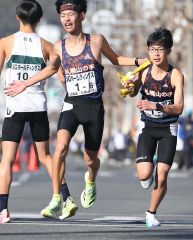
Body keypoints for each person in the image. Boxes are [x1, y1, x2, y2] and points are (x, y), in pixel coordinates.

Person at [5, 0, 145, 219]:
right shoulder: (58, 46)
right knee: (59, 149)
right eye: (63, 16)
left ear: (82, 16)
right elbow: (51, 69)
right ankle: (55, 199)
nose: (67, 19)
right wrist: (25, 83)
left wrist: (139, 61)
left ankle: (91, 179)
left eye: (71, 14)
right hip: (71, 104)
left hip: (94, 108)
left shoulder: (96, 41)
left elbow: (116, 58)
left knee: (91, 159)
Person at [0, 0, 75, 224]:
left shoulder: (5, 42)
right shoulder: (47, 45)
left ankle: (3, 210)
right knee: (45, 157)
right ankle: (66, 197)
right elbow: (59, 74)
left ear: (17, 17)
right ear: (40, 20)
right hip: (38, 107)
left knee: (7, 160)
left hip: (15, 107)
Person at [125, 27, 184, 228]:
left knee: (163, 174)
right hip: (147, 128)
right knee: (144, 174)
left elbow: (179, 108)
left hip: (168, 129)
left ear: (168, 51)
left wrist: (156, 105)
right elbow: (132, 93)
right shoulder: (144, 70)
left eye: (160, 49)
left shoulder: (175, 75)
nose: (155, 54)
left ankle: (151, 213)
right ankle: (149, 166)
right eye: (152, 49)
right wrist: (129, 87)